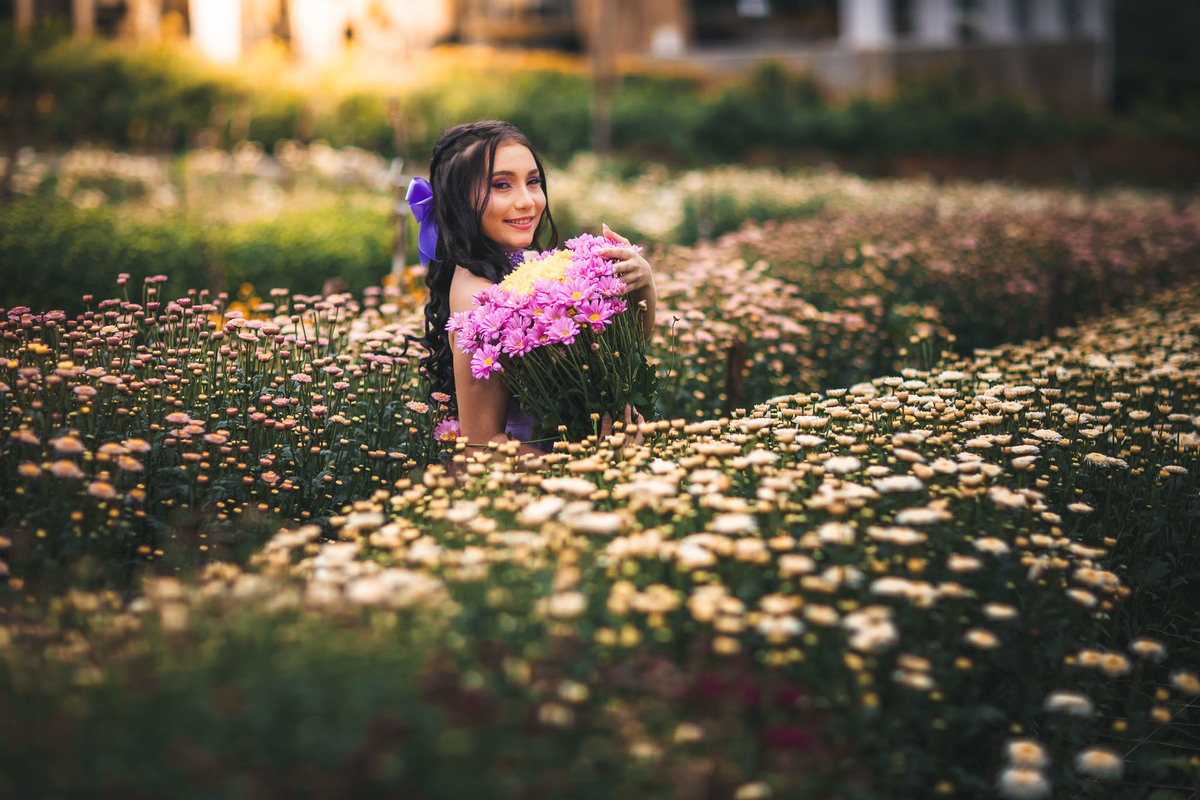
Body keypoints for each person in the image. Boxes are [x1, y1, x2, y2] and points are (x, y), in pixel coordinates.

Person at [415, 120, 656, 457]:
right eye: (502, 185)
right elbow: (482, 448)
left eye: (533, 182)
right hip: (535, 489)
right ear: (458, 202)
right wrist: (586, 463)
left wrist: (640, 282)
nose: (527, 201)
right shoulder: (479, 302)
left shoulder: (525, 262)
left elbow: (630, 348)